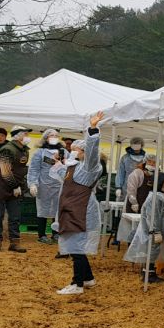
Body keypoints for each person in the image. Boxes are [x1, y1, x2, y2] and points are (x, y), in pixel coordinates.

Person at [53, 113, 105, 295]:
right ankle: (88, 278)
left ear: (84, 152)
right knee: (76, 245)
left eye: (77, 149)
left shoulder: (90, 166)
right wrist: (58, 164)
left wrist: (92, 130)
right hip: (70, 209)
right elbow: (61, 178)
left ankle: (77, 284)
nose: (73, 151)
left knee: (76, 246)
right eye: (71, 149)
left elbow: (92, 151)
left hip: (81, 210)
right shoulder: (72, 167)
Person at [124, 173, 164, 284]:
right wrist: (155, 231)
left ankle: (149, 271)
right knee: (151, 251)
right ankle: (148, 274)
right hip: (153, 230)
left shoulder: (159, 196)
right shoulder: (155, 198)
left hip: (156, 229)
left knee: (153, 251)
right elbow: (152, 216)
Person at [0, 125, 31, 253]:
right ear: (17, 135)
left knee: (15, 216)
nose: (27, 137)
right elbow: (5, 172)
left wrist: (22, 185)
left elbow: (21, 169)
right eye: (25, 134)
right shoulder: (7, 150)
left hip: (15, 186)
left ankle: (14, 242)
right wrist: (16, 186)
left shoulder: (24, 149)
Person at [27, 129, 67, 244]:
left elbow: (68, 166)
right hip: (43, 186)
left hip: (59, 185)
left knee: (57, 210)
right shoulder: (40, 152)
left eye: (56, 135)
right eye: (51, 135)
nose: (54, 137)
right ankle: (41, 235)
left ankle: (56, 234)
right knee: (42, 210)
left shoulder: (63, 151)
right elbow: (34, 169)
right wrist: (32, 184)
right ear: (45, 138)